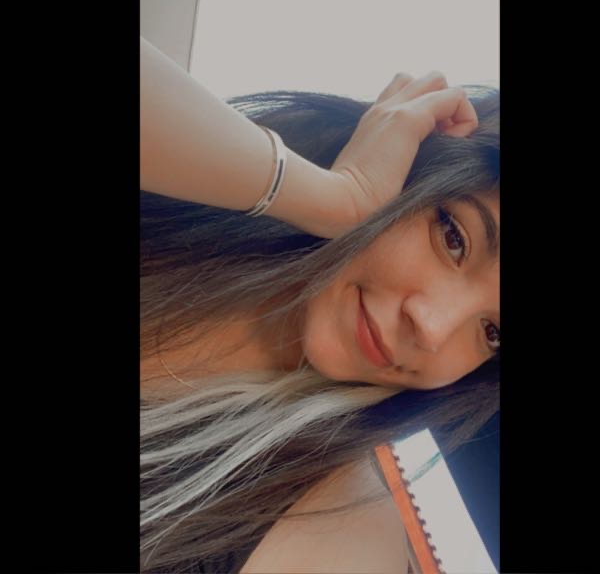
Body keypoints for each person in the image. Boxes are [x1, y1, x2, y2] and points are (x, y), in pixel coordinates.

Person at [140, 37, 500, 573]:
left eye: (493, 333)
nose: (432, 328)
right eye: (454, 239)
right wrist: (330, 196)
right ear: (408, 171)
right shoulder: (169, 216)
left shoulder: (338, 527)